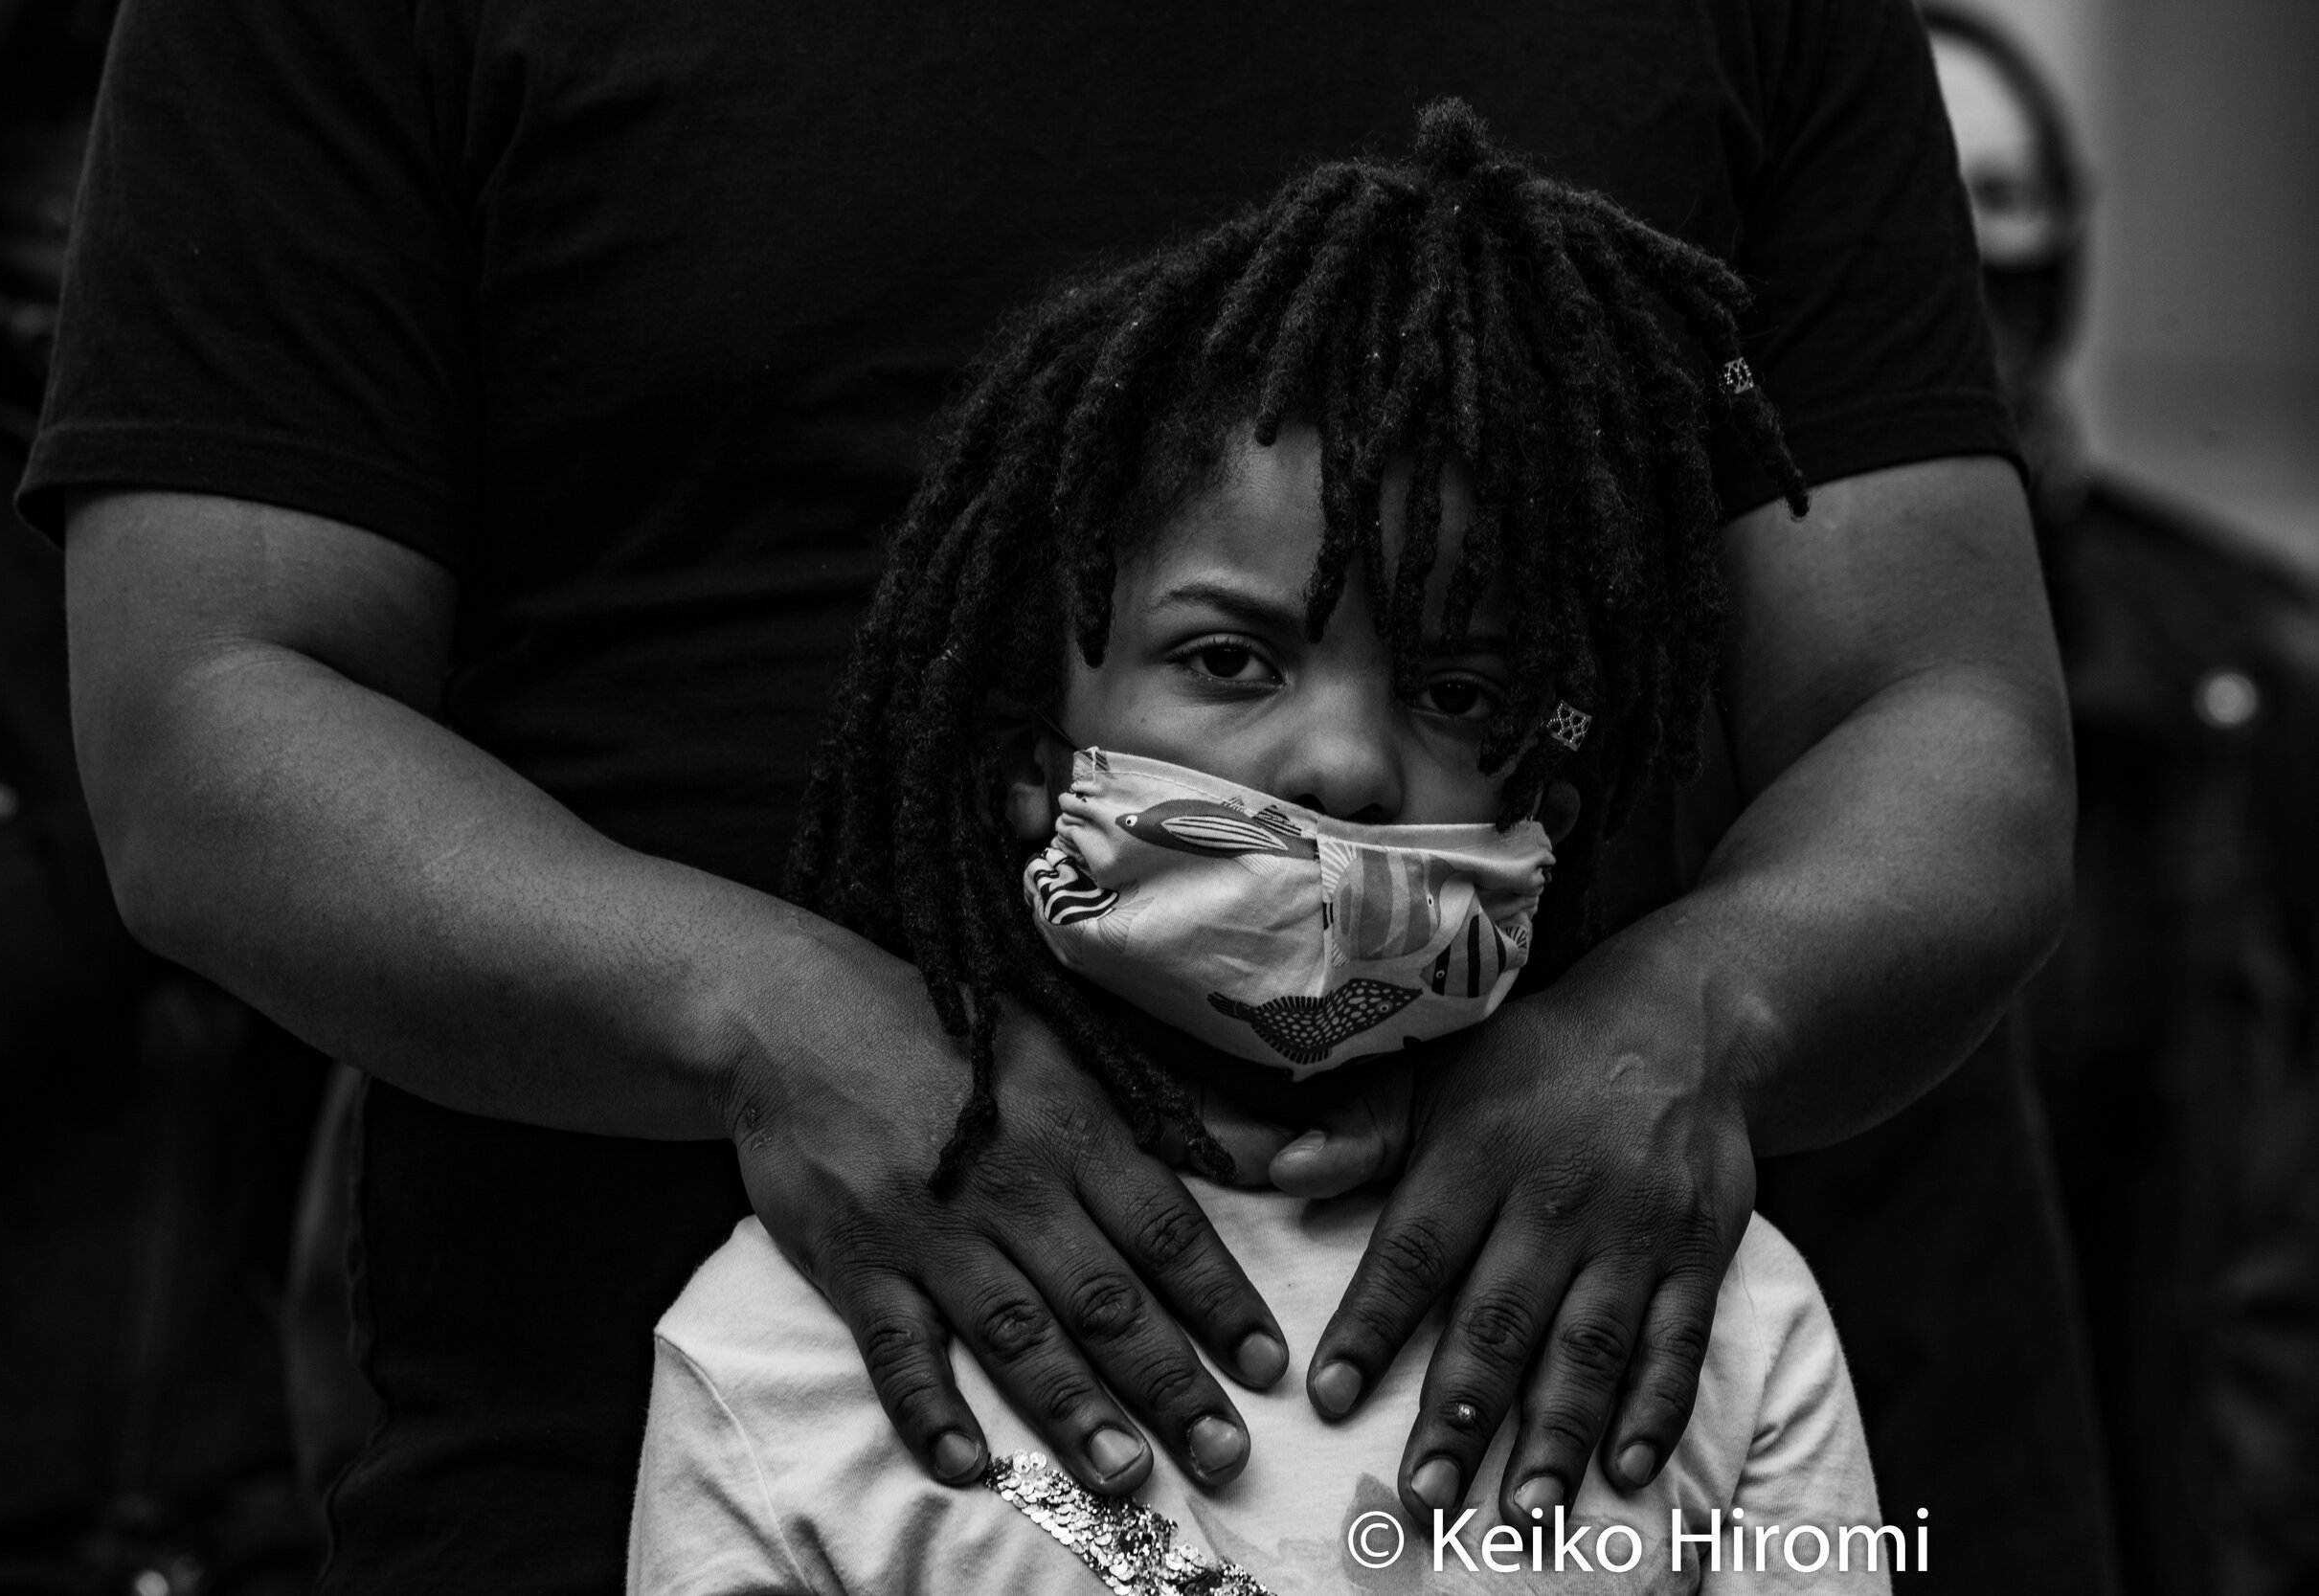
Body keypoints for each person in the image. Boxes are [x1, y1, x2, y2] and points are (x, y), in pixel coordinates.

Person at [28, 4, 2084, 1591]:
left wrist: (1692, 1018)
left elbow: (1940, 715)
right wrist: (768, 1023)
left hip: (1567, 1398)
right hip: (685, 1421)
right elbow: (214, 715)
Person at [630, 109, 1893, 1596]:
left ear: (1544, 812)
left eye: (1462, 691)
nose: (1346, 764)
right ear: (1029, 769)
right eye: (1232, 659)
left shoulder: (1711, 1316)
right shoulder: (791, 1344)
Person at [0, 2, 326, 1583]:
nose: (101, 193)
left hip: (266, 1515)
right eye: (56, 131)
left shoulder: (329, 522)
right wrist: (211, 775)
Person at [1926, 11, 2319, 1592]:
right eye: (1935, 242)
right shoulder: (1654, 666)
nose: (1984, 313)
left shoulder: (2240, 674)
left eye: (2016, 231)